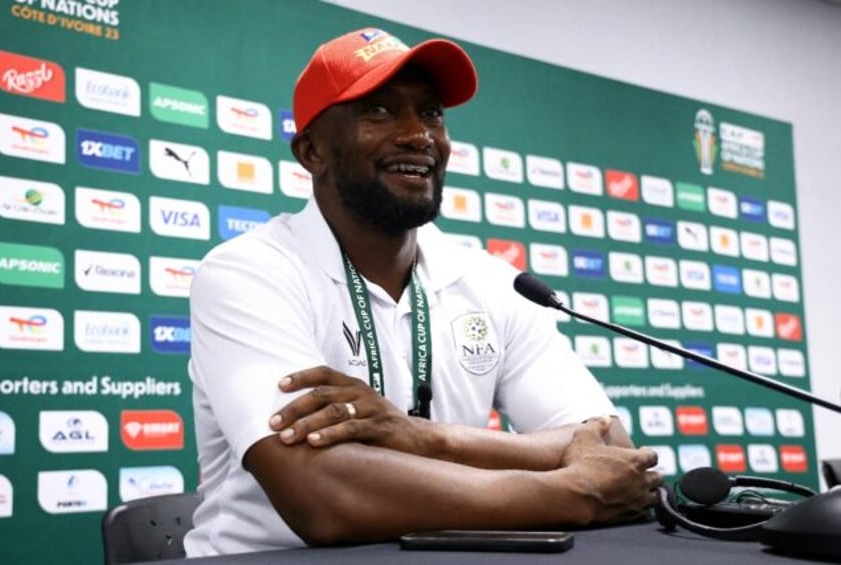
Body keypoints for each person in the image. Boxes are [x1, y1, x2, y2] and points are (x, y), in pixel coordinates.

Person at [184, 27, 662, 557]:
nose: (419, 135)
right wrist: (567, 492)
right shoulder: (248, 272)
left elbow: (609, 447)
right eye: (380, 112)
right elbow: (325, 496)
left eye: (431, 113)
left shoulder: (493, 282)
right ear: (312, 150)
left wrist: (428, 437)